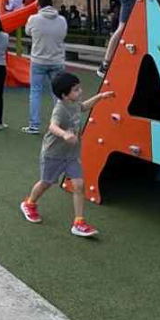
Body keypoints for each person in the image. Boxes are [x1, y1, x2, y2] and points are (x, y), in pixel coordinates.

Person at [19, 72, 113, 237]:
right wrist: (64, 134)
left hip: (70, 155)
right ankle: (29, 203)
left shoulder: (74, 103)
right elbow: (52, 126)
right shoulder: (60, 109)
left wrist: (100, 97)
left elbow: (84, 107)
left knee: (79, 185)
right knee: (46, 183)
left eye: (79, 88)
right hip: (53, 154)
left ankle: (79, 222)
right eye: (76, 90)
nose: (80, 91)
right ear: (64, 95)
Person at [26, 0, 69, 134]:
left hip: (38, 60)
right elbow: (63, 35)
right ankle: (60, 123)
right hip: (57, 60)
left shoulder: (33, 19)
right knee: (58, 94)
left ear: (39, 5)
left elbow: (28, 32)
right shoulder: (62, 20)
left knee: (35, 92)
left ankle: (34, 124)